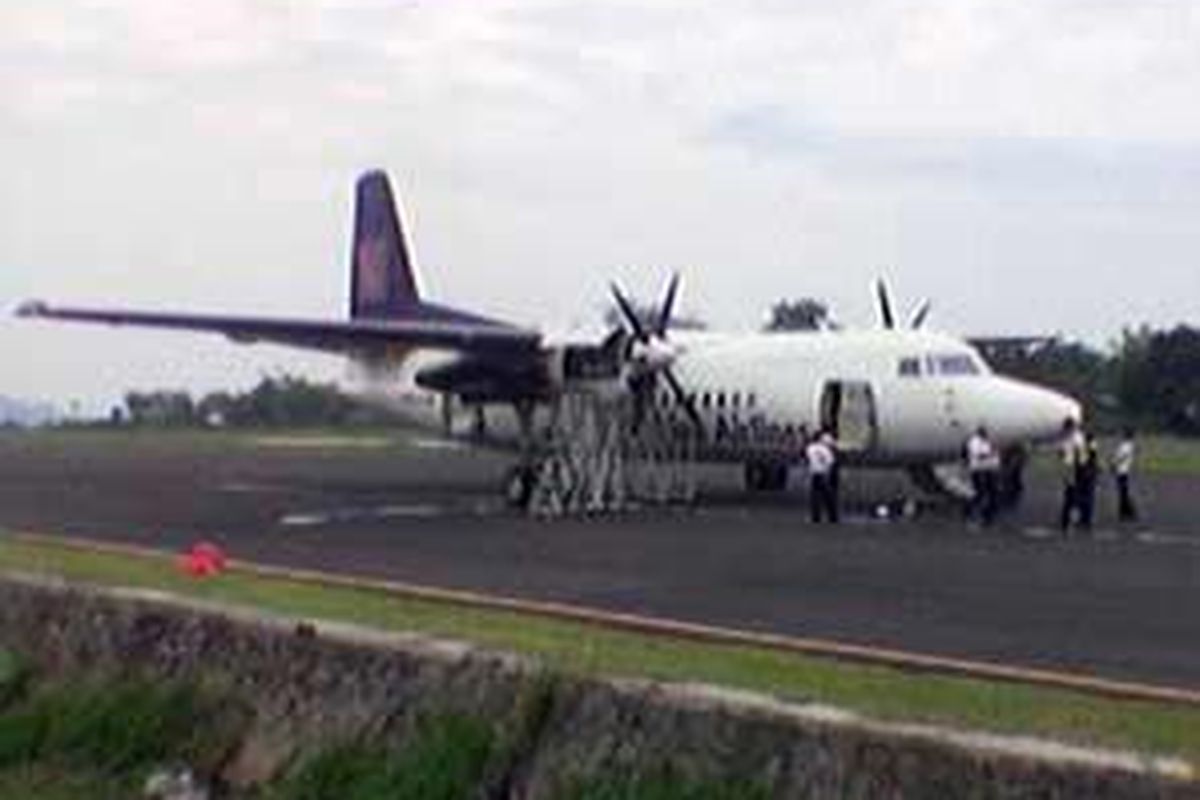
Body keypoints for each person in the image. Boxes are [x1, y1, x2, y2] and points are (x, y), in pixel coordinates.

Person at [964, 425, 1000, 525]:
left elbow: (996, 455)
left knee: (993, 494)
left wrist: (994, 455)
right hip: (978, 470)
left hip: (990, 470)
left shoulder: (989, 441)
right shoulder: (974, 441)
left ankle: (987, 517)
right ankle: (970, 514)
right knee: (980, 494)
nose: (986, 434)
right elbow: (978, 455)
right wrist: (991, 452)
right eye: (984, 432)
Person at [1058, 417, 1085, 532]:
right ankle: (1067, 522)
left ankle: (1071, 522)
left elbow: (1080, 453)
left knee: (1073, 497)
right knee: (1070, 496)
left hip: (1075, 468)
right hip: (1069, 467)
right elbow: (1061, 453)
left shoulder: (1076, 437)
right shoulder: (1066, 438)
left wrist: (1078, 468)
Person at [805, 430, 838, 523]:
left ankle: (816, 517)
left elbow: (808, 458)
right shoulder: (825, 449)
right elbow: (830, 462)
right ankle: (833, 517)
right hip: (824, 473)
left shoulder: (810, 448)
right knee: (828, 496)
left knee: (815, 497)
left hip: (814, 473)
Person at [1111, 426, 1139, 522]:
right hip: (1124, 470)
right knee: (1124, 492)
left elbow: (1121, 457)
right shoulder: (1129, 445)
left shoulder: (1125, 446)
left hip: (1121, 471)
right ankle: (1126, 512)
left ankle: (1126, 512)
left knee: (1123, 493)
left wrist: (1114, 464)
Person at [1075, 432, 1100, 531]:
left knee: (1083, 499)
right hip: (1089, 475)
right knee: (1088, 498)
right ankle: (1086, 520)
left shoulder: (1084, 449)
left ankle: (1084, 520)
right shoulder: (1092, 448)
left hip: (1084, 476)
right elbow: (1093, 461)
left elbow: (1081, 463)